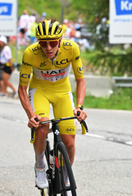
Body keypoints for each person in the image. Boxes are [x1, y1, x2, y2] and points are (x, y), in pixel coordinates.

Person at [18, 19, 87, 190]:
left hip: (62, 90)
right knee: (43, 125)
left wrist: (79, 107)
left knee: (69, 144)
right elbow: (22, 88)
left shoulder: (72, 48)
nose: (48, 47)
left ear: (60, 40)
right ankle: (40, 164)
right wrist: (30, 115)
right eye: (43, 43)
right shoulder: (30, 53)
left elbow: (80, 80)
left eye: (53, 43)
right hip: (40, 89)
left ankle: (65, 173)